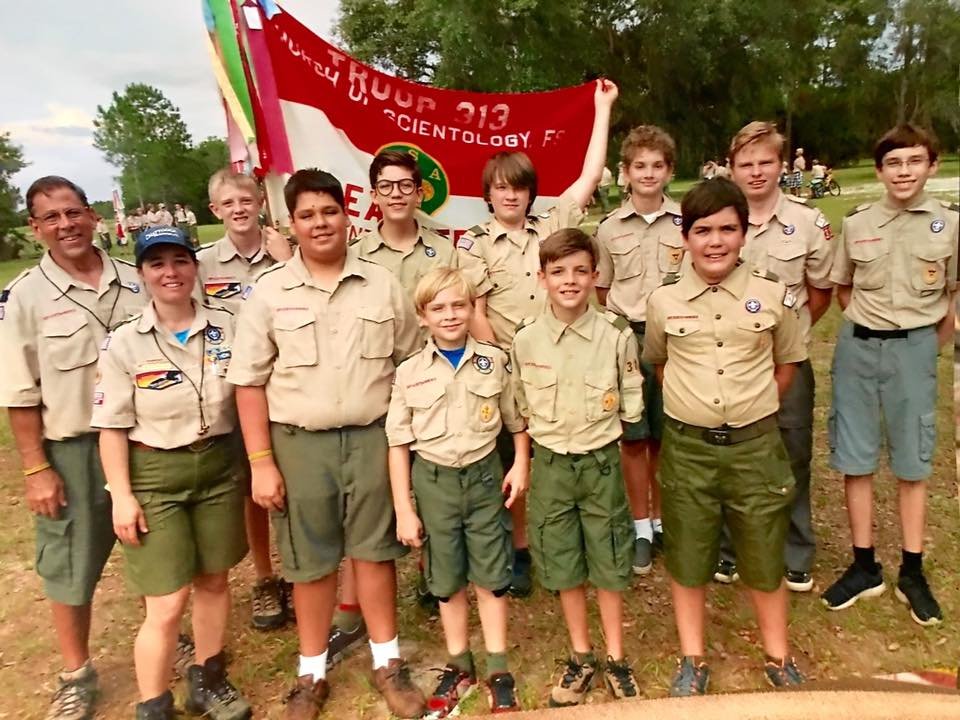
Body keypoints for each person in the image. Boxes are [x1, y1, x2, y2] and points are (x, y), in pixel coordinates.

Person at [227, 169, 424, 719]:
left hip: (373, 438)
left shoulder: (382, 284)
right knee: (310, 564)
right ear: (291, 224)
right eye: (307, 215)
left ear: (347, 214)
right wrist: (262, 463)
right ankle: (310, 674)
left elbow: (409, 363)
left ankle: (388, 662)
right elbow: (248, 382)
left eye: (329, 211)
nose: (320, 223)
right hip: (299, 444)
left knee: (374, 553)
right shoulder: (270, 292)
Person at [643, 178, 807, 696]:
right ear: (685, 237)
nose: (715, 241)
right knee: (688, 556)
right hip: (689, 450)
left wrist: (748, 407)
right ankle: (693, 659)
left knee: (763, 556)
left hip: (755, 448)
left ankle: (778, 657)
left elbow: (786, 366)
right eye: (703, 230)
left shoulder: (771, 293)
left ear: (744, 234)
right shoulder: (664, 300)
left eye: (727, 230)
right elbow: (661, 364)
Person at [457, 78, 618, 598]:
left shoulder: (551, 229)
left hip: (561, 367)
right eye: (501, 187)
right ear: (488, 195)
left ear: (530, 191)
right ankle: (514, 547)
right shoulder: (475, 243)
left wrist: (603, 108)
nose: (510, 194)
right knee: (506, 459)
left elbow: (589, 178)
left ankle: (547, 543)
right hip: (504, 367)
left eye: (519, 186)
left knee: (556, 457)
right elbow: (477, 311)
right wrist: (510, 359)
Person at [0, 176, 147, 720]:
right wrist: (37, 468)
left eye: (74, 212)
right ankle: (76, 672)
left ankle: (164, 634)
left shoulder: (136, 281)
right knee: (70, 563)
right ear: (36, 229)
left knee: (152, 545)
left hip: (141, 441)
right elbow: (19, 393)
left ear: (92, 215)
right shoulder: (24, 298)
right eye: (52, 218)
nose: (67, 225)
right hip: (74, 448)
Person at [92, 226, 250, 720]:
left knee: (214, 581)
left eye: (180, 261)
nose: (170, 272)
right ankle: (153, 704)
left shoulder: (228, 326)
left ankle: (208, 679)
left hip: (219, 464)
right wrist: (121, 494)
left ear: (195, 267)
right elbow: (111, 427)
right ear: (142, 274)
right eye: (157, 263)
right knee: (165, 600)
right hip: (156, 472)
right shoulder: (123, 343)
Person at [822, 124, 957, 626]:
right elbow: (843, 288)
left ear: (931, 166)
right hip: (859, 348)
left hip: (915, 349)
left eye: (914, 161)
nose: (904, 172)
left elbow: (953, 294)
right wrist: (874, 332)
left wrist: (921, 346)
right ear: (879, 171)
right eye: (894, 163)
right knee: (855, 457)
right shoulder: (858, 223)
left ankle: (913, 570)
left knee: (912, 461)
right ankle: (864, 566)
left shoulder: (950, 224)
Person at [386, 267, 529, 715]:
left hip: (485, 477)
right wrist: (404, 509)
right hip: (434, 481)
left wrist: (521, 461)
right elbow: (397, 444)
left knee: (491, 574)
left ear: (471, 309)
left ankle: (499, 666)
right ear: (422, 316)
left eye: (458, 306)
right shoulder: (410, 372)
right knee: (446, 581)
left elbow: (516, 421)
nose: (450, 315)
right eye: (438, 308)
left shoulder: (494, 360)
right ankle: (458, 663)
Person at [511, 228, 643, 707]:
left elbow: (631, 404)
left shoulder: (615, 335)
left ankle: (617, 657)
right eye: (558, 272)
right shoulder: (525, 341)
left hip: (600, 465)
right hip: (551, 466)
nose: (570, 281)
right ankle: (582, 655)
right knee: (564, 563)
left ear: (595, 276)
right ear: (542, 277)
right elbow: (521, 407)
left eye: (580, 271)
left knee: (608, 561)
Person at [718, 121, 834, 592]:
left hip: (787, 362)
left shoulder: (808, 222)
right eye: (746, 163)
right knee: (730, 453)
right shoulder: (723, 220)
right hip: (732, 362)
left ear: (781, 165)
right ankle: (730, 549)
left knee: (791, 454)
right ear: (732, 169)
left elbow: (821, 292)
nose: (756, 171)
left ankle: (795, 549)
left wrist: (789, 338)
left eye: (765, 161)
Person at [196, 169, 293, 633]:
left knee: (294, 482)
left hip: (289, 384)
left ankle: (295, 568)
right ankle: (265, 576)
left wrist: (288, 257)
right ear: (215, 210)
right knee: (255, 487)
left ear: (259, 201)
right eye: (227, 203)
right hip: (234, 394)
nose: (238, 209)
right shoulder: (200, 265)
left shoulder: (283, 251)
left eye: (246, 200)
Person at [595, 125, 684, 575]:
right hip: (628, 336)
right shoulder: (609, 228)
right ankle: (640, 525)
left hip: (676, 340)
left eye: (657, 166)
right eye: (639, 166)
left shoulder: (688, 221)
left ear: (669, 171)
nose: (648, 174)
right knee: (633, 437)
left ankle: (667, 519)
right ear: (625, 173)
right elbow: (602, 288)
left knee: (667, 436)